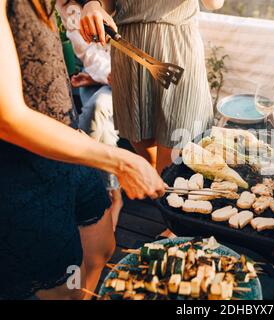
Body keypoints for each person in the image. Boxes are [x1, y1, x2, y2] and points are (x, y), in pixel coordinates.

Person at [0, 0, 165, 300]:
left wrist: (90, 4)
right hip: (23, 166)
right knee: (62, 290)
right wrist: (120, 161)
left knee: (102, 247)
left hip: (67, 138)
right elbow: (7, 118)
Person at [78, 0, 225, 174]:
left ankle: (161, 191)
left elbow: (214, 3)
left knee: (172, 162)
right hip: (128, 50)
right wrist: (93, 5)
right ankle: (155, 190)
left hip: (176, 48)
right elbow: (110, 5)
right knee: (143, 145)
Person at [56, 0, 123, 230]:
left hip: (121, 74)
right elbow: (90, 56)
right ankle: (113, 194)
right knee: (96, 112)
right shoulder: (69, 8)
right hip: (102, 75)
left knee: (97, 111)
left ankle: (105, 194)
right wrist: (104, 77)